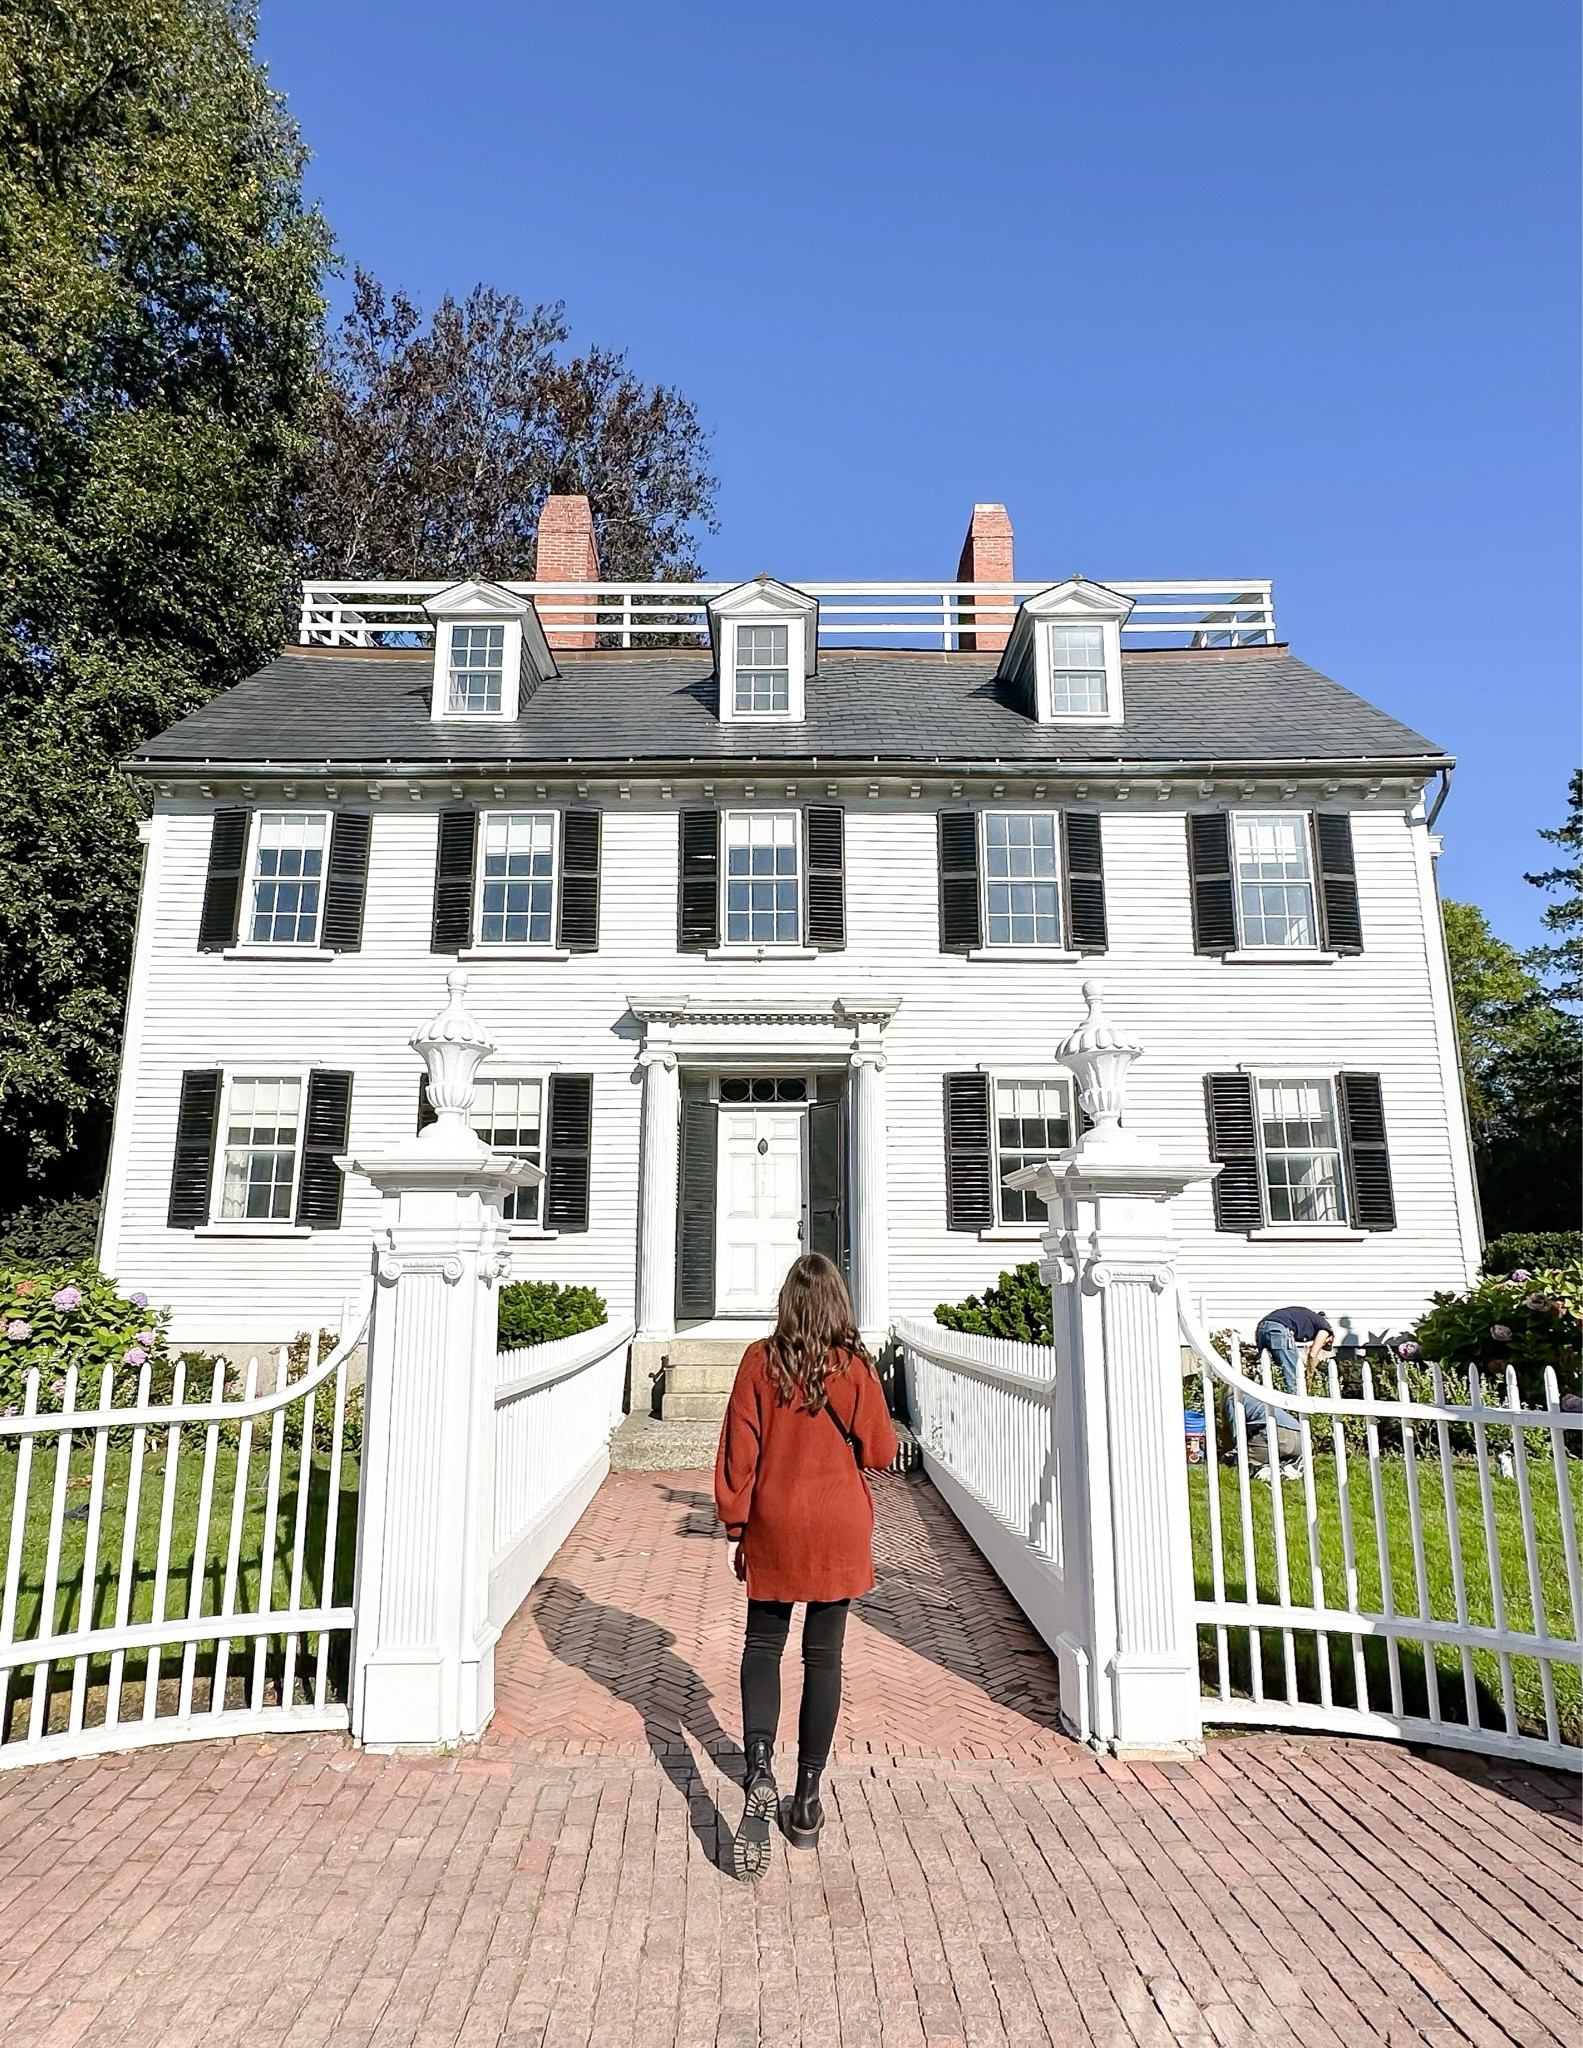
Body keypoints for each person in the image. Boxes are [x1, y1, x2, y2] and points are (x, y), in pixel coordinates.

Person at [714, 1251, 899, 1883]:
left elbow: (740, 1452)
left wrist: (738, 1523)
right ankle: (810, 1798)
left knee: (763, 1646)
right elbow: (880, 1449)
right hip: (839, 1526)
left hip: (778, 1521)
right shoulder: (853, 1368)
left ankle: (759, 1766)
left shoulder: (758, 1362)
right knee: (824, 1658)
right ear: (837, 1306)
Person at [1234, 1305, 1334, 1474]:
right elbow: (1312, 1354)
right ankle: (1292, 1412)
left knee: (1267, 1370)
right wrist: (1309, 1375)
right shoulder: (1325, 1328)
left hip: (1263, 1327)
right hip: (1279, 1329)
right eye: (1327, 1344)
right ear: (1330, 1337)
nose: (1325, 1344)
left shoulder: (1306, 1318)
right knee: (1292, 1376)